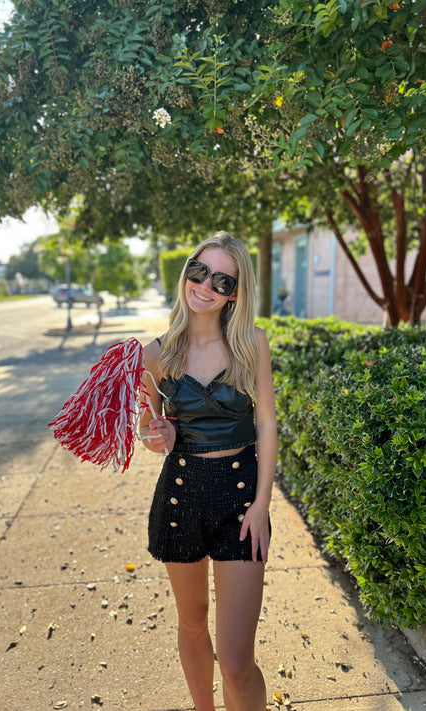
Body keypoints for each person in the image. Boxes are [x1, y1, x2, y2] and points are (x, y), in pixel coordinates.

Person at [139, 231, 278, 711]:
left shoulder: (250, 345)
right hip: (181, 495)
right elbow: (151, 432)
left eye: (222, 280)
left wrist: (262, 505)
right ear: (187, 272)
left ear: (235, 293)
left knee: (237, 661)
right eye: (199, 270)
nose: (206, 285)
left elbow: (266, 423)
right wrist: (160, 436)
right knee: (193, 623)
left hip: (241, 500)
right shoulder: (155, 356)